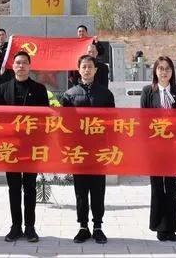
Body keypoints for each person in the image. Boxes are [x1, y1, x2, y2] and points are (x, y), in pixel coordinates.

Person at [0, 51, 50, 243]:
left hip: (31, 147)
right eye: (18, 62)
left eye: (24, 63)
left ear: (29, 66)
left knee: (30, 187)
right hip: (10, 147)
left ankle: (30, 227)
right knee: (13, 188)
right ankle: (15, 226)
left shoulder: (39, 89)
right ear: (13, 65)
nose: (21, 66)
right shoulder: (2, 89)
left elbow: (45, 119)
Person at [60, 55, 115, 244]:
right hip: (78, 150)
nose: (87, 70)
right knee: (81, 190)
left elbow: (112, 122)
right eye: (83, 66)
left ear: (96, 70)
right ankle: (83, 226)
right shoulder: (69, 95)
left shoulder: (105, 94)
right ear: (78, 70)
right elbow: (65, 124)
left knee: (98, 189)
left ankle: (98, 226)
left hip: (99, 149)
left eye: (90, 66)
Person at [140, 56, 176, 242]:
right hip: (154, 147)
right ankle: (159, 226)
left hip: (174, 147)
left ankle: (171, 227)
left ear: (172, 72)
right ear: (155, 71)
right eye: (160, 68)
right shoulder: (148, 91)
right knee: (157, 186)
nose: (164, 72)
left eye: (167, 68)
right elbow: (143, 121)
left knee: (170, 186)